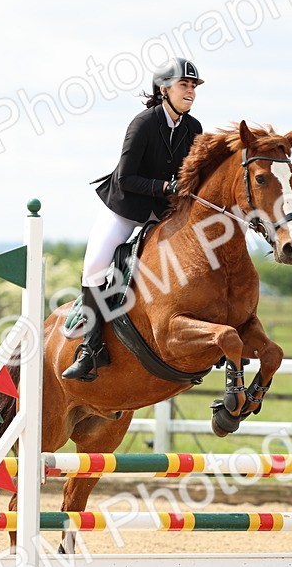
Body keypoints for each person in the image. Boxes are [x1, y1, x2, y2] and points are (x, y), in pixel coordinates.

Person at [62, 57, 205, 381]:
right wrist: (165, 186)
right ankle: (90, 348)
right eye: (184, 85)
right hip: (126, 207)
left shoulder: (193, 128)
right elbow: (126, 178)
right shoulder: (143, 124)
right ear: (164, 89)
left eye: (193, 86)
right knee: (95, 266)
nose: (191, 91)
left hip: (165, 210)